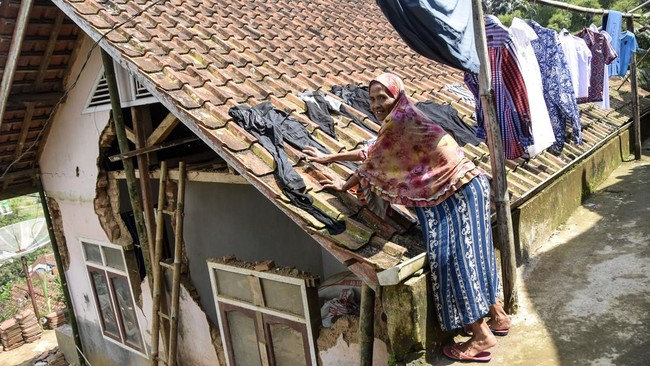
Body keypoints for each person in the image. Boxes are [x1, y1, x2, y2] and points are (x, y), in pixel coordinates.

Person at [303, 73, 510, 362]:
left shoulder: (399, 121)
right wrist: (329, 159)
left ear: (396, 95)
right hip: (466, 185)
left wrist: (342, 185)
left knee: (451, 260)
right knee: (476, 253)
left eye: (382, 97)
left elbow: (372, 161)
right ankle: (497, 316)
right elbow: (371, 151)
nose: (376, 104)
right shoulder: (402, 117)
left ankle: (480, 336)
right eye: (372, 98)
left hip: (453, 193)